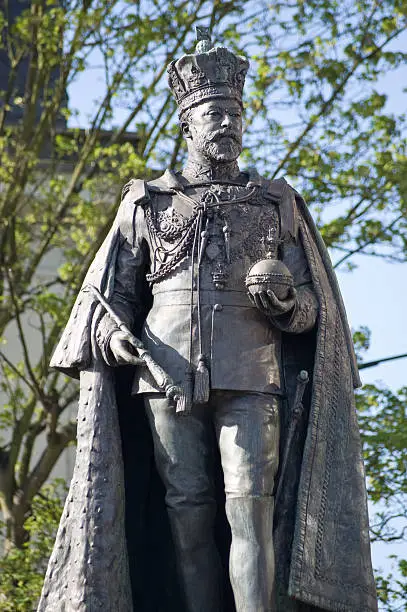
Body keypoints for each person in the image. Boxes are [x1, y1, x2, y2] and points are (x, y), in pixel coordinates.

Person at [38, 30, 377, 612]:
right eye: (215, 114)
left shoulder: (277, 204)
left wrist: (284, 305)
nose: (227, 125)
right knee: (187, 515)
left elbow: (312, 313)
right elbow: (106, 302)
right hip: (163, 375)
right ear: (188, 125)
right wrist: (115, 337)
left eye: (235, 115)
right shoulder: (147, 204)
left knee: (251, 506)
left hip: (253, 373)